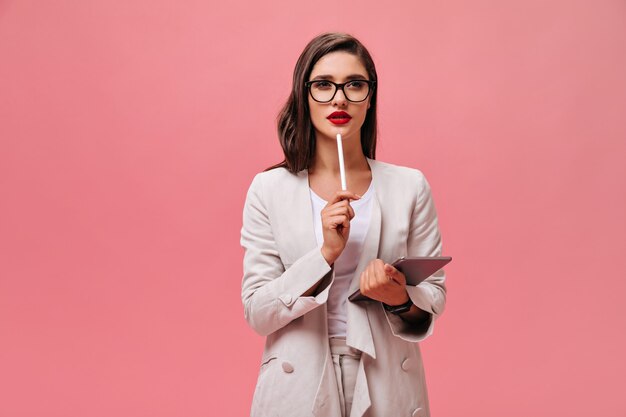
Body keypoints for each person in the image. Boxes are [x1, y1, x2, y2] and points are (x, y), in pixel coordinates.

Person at [240, 32, 447, 417]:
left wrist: (399, 298)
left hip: (387, 378)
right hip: (298, 381)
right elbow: (258, 311)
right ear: (304, 95)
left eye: (354, 84)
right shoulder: (269, 189)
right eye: (323, 85)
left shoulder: (409, 186)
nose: (339, 98)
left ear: (370, 98)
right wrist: (324, 256)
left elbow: (433, 297)